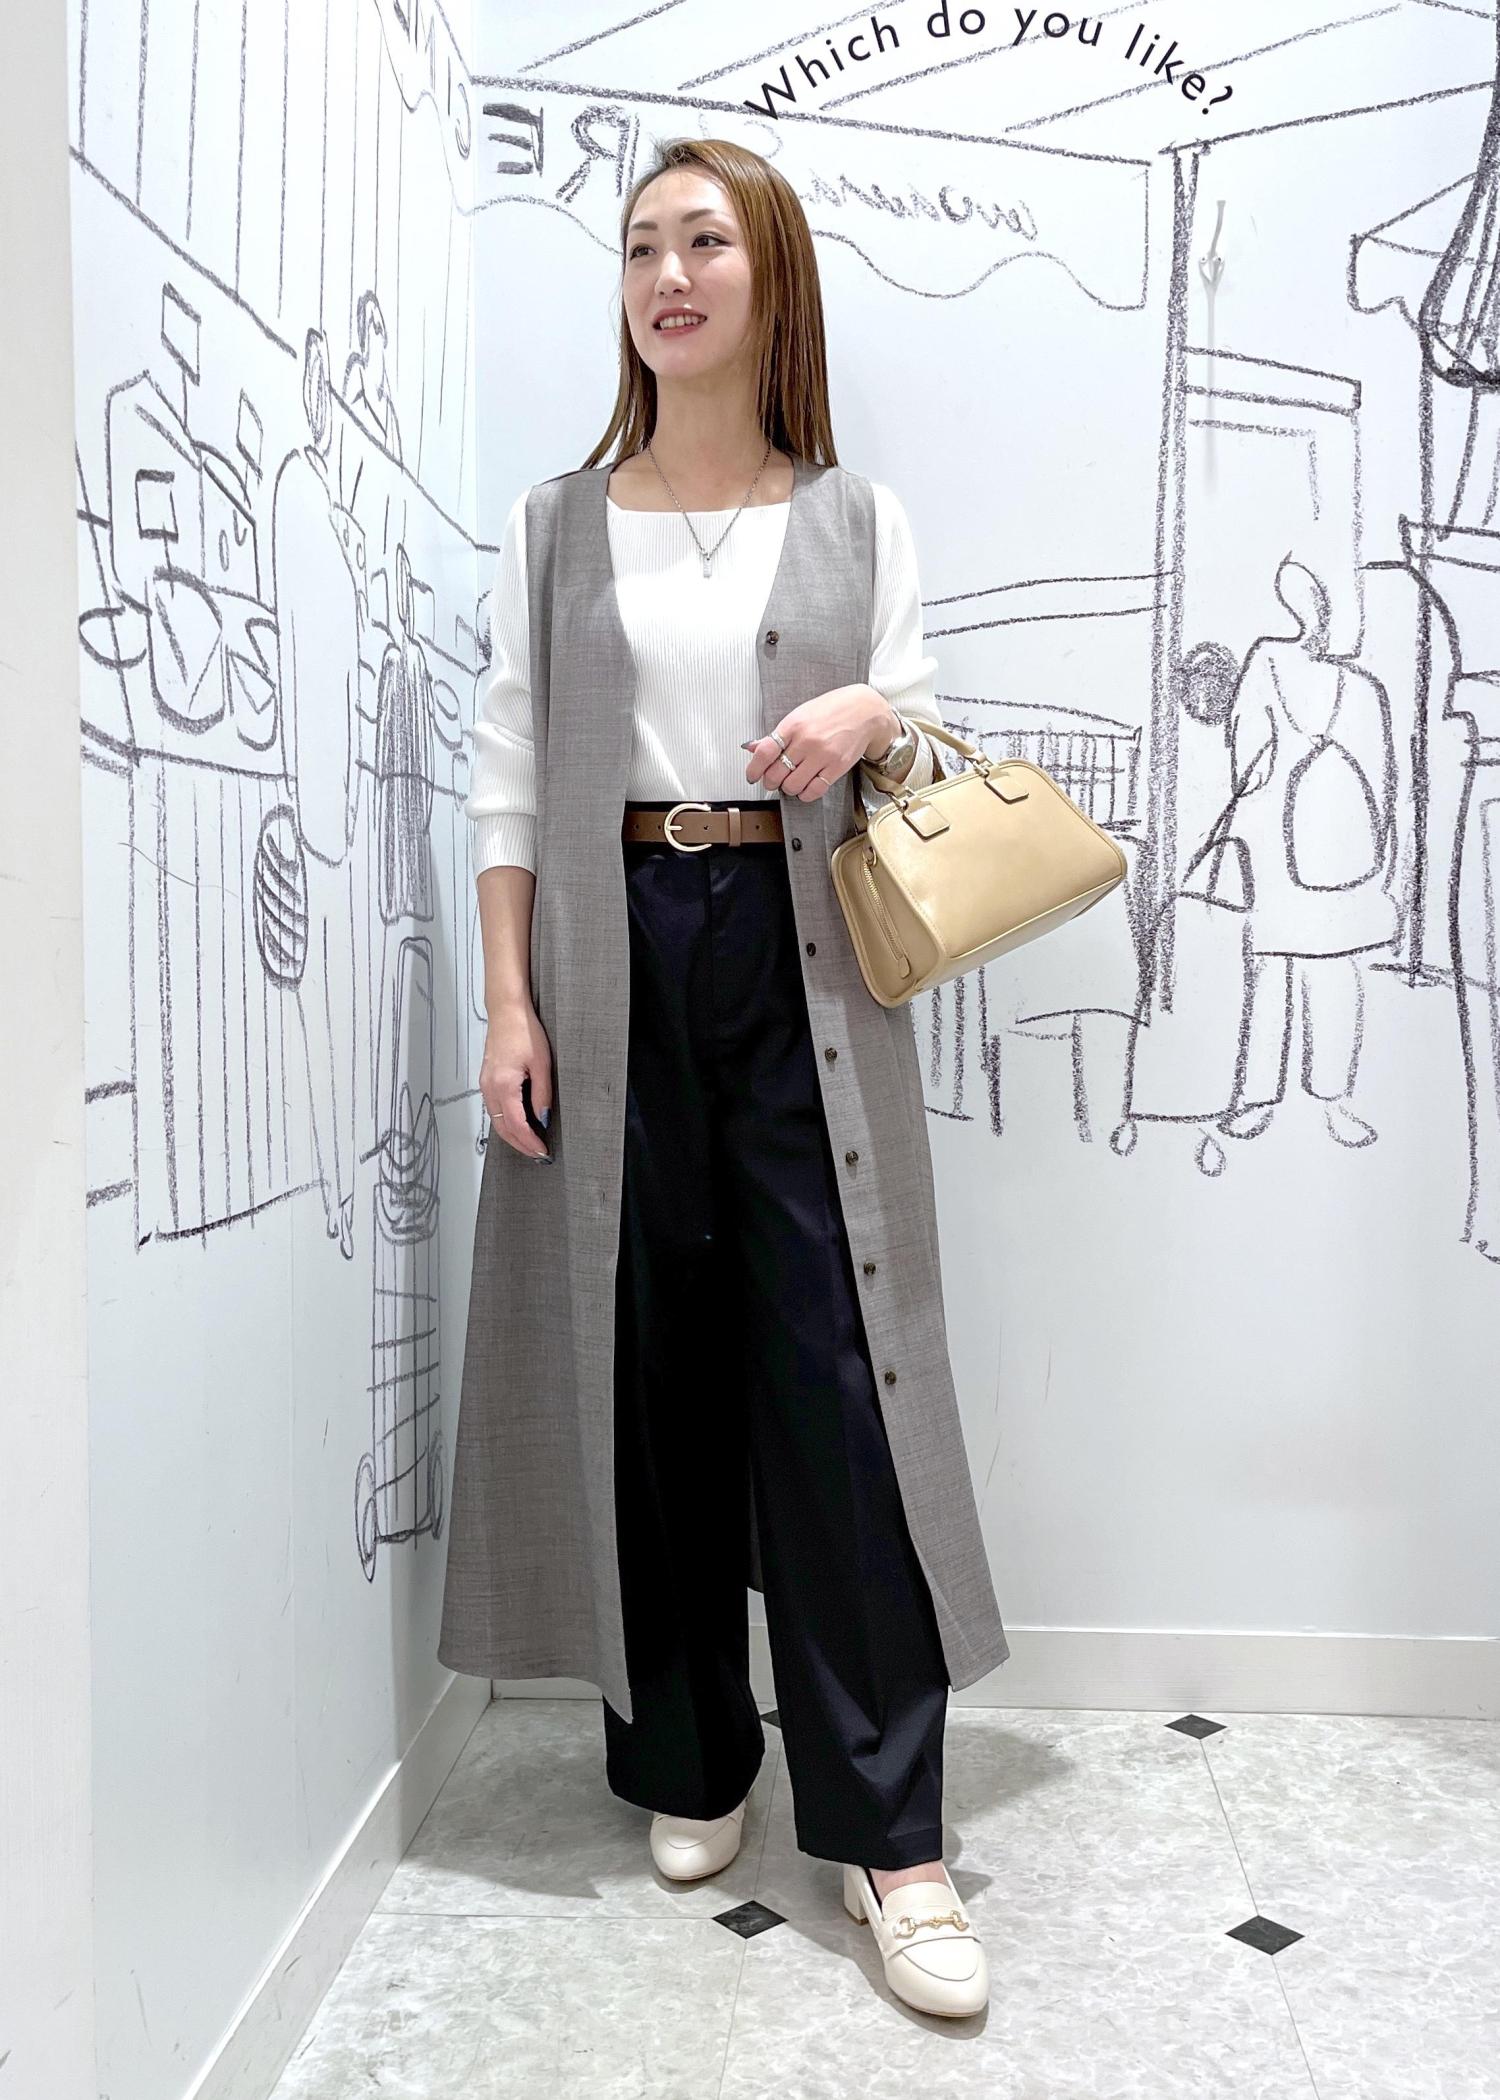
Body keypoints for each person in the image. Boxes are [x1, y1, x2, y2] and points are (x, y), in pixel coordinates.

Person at [439, 138, 1009, 2020]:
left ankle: (892, 1837)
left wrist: (874, 707)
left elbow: (921, 727)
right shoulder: (554, 523)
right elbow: (509, 772)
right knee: (646, 1353)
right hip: (609, 950)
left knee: (839, 1374)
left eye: (703, 242)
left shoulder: (853, 513)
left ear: (772, 278)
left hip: (804, 953)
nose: (667, 276)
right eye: (639, 248)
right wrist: (509, 1004)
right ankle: (692, 1753)